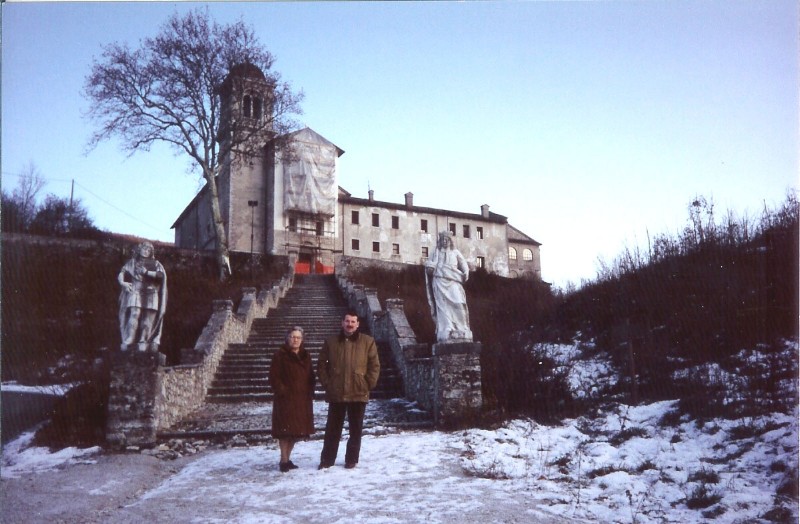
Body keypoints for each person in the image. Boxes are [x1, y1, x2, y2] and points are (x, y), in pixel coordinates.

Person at [317, 310, 380, 469]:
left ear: (357, 324)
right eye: (347, 321)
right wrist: (328, 383)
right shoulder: (331, 342)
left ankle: (351, 459)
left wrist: (367, 384)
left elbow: (374, 366)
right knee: (332, 429)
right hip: (336, 391)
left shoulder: (368, 341)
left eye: (353, 322)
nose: (350, 324)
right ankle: (327, 460)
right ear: (342, 322)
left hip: (358, 392)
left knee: (356, 429)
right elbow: (321, 366)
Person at [269, 326, 316, 472]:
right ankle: (283, 460)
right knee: (284, 431)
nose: (295, 340)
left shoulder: (306, 355)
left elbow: (310, 374)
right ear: (287, 339)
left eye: (298, 337)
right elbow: (273, 377)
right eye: (292, 337)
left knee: (296, 431)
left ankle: (287, 459)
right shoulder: (279, 355)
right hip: (286, 399)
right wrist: (282, 391)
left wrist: (310, 389)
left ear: (302, 340)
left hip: (301, 399)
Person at [117, 241, 167, 351]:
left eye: (149, 250)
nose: (146, 251)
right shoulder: (132, 262)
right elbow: (122, 272)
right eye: (144, 248)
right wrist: (122, 283)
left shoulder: (156, 263)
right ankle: (129, 338)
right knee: (134, 314)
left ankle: (143, 340)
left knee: (147, 320)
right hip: (136, 290)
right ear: (139, 249)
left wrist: (146, 272)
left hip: (151, 292)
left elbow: (161, 275)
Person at [425, 232, 472, 342]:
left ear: (450, 241)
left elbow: (463, 264)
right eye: (442, 239)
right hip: (439, 280)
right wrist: (430, 267)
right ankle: (447, 327)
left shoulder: (455, 252)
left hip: (453, 280)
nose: (444, 241)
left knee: (459, 302)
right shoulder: (435, 253)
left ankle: (462, 327)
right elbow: (429, 266)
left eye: (446, 239)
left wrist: (466, 272)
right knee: (443, 306)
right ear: (439, 241)